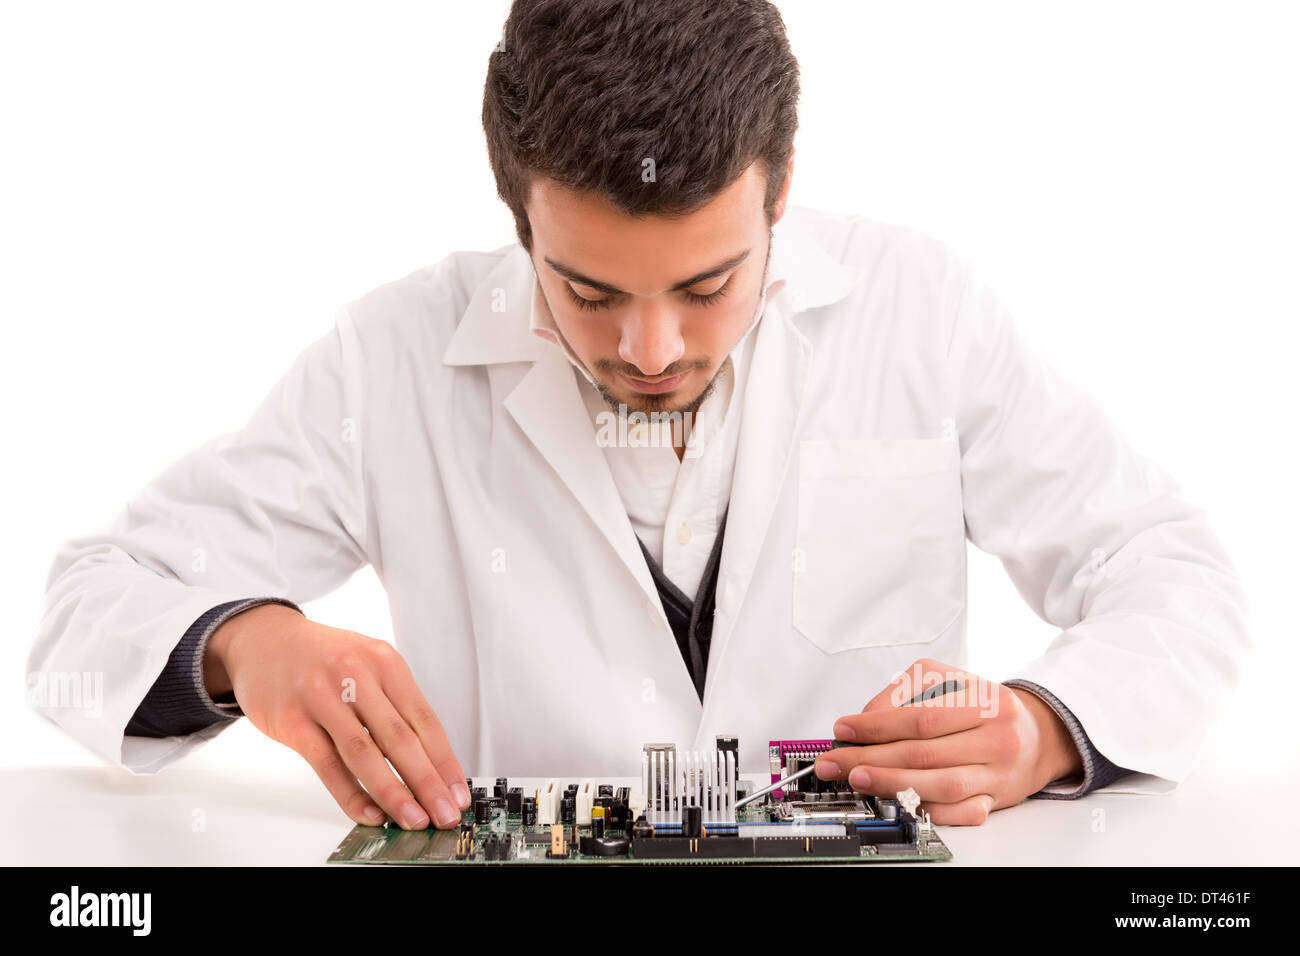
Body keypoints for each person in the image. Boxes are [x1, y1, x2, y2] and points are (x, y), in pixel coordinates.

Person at [28, 0, 1249, 832]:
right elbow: (89, 601)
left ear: (781, 189)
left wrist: (1044, 727)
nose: (650, 351)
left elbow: (1171, 569)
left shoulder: (921, 308)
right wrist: (248, 643)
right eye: (589, 290)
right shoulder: (392, 354)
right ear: (521, 221)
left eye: (709, 284)